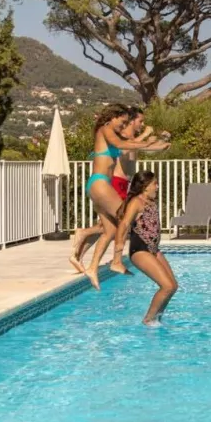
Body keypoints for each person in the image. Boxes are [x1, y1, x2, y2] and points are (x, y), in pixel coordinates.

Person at [71, 107, 171, 288]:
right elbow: (122, 145)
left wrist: (160, 145)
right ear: (113, 117)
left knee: (110, 230)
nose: (124, 125)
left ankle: (93, 268)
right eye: (123, 122)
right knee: (126, 218)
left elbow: (130, 145)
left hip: (101, 184)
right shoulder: (106, 129)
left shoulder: (112, 132)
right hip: (100, 183)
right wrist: (147, 143)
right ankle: (116, 261)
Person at [111, 170, 178, 326]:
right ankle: (148, 320)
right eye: (155, 183)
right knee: (166, 286)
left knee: (173, 286)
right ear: (145, 186)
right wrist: (117, 258)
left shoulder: (150, 201)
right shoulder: (137, 201)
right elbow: (123, 225)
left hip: (154, 250)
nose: (157, 187)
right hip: (140, 250)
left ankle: (156, 318)